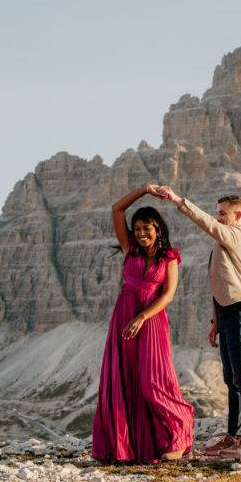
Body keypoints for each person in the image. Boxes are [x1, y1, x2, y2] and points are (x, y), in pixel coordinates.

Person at [91, 184, 194, 464]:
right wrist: (145, 190)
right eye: (137, 229)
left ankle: (177, 433)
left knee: (153, 382)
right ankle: (126, 449)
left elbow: (168, 295)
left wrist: (142, 316)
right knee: (124, 379)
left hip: (151, 321)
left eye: (146, 228)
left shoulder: (169, 257)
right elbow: (117, 209)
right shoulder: (129, 249)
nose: (141, 233)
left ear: (157, 228)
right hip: (123, 320)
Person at [156, 187, 241, 459]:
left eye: (223, 214)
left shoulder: (237, 236)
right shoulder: (221, 244)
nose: (219, 218)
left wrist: (179, 201)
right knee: (231, 379)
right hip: (227, 315)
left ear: (238, 215)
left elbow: (207, 225)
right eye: (218, 214)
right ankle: (232, 435)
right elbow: (219, 284)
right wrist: (215, 322)